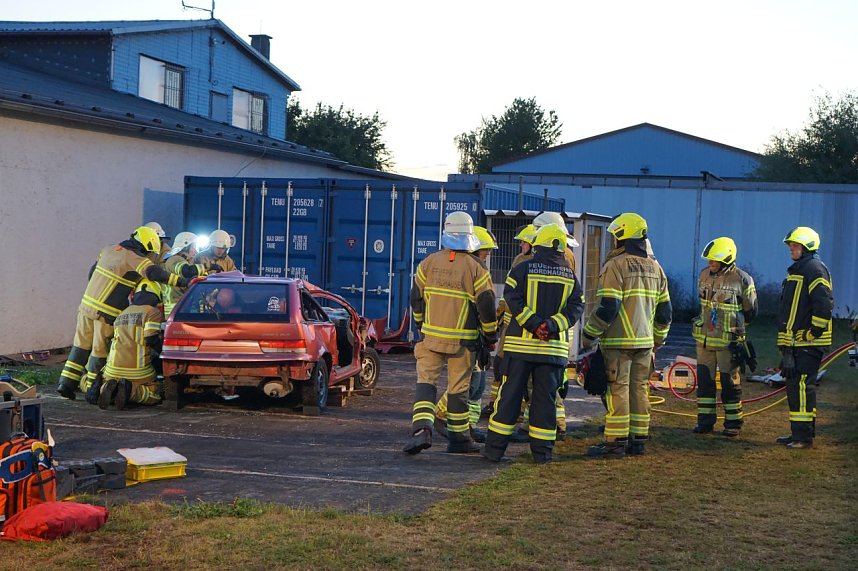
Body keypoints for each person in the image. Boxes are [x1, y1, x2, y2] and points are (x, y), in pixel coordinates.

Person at [482, 224, 585, 464]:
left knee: (509, 398)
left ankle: (494, 451)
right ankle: (542, 454)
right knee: (545, 402)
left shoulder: (521, 269)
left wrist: (534, 324)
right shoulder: (570, 276)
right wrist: (551, 325)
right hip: (552, 350)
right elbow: (576, 307)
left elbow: (511, 298)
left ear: (538, 245)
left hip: (519, 348)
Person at [57, 226, 190, 402]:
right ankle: (92, 389)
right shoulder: (133, 257)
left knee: (80, 345)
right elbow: (154, 273)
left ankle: (66, 383)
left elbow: (92, 272)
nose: (148, 255)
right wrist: (183, 281)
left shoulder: (108, 250)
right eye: (148, 252)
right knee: (99, 350)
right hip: (106, 311)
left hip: (86, 305)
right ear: (144, 246)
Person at [403, 212, 498, 455]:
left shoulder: (428, 262)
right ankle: (459, 440)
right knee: (458, 390)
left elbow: (416, 298)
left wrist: (420, 325)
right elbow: (486, 304)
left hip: (430, 338)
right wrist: (490, 336)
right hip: (462, 341)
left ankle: (421, 430)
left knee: (426, 384)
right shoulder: (476, 268)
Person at [581, 213, 672, 458]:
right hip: (645, 343)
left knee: (618, 391)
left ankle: (615, 443)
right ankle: (638, 441)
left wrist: (589, 334)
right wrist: (658, 340)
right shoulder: (656, 267)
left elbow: (608, 306)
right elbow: (665, 312)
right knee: (639, 390)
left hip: (618, 342)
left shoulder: (616, 265)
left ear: (621, 236)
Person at [434, 226, 498, 443]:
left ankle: (469, 425)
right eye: (485, 250)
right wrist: (490, 333)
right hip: (467, 335)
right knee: (468, 383)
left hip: (475, 335)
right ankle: (442, 414)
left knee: (477, 385)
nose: (487, 254)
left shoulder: (476, 269)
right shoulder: (472, 270)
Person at [691, 237, 758, 437]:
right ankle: (705, 422)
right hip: (704, 340)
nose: (710, 263)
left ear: (726, 259)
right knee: (705, 382)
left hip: (728, 341)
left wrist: (737, 329)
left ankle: (733, 423)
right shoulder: (704, 275)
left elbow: (751, 310)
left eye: (714, 260)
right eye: (709, 259)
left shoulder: (742, 279)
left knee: (729, 383)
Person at [775, 226, 833, 449]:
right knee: (795, 387)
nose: (791, 248)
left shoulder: (814, 269)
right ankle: (798, 434)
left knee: (801, 387)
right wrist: (785, 346)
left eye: (795, 245)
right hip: (797, 341)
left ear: (807, 247)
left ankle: (803, 437)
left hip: (808, 342)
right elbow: (789, 311)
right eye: (790, 245)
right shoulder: (799, 270)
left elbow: (824, 304)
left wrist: (813, 332)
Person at [98, 280, 165, 410]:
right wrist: (163, 352)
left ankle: (106, 388)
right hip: (138, 370)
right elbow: (151, 338)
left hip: (112, 369)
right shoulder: (152, 312)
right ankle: (130, 390)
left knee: (112, 381)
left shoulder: (122, 313)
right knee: (155, 393)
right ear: (156, 297)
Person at [163, 232, 223, 316]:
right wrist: (209, 266)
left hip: (184, 308)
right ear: (186, 247)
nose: (195, 251)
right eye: (193, 247)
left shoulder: (186, 262)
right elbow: (187, 272)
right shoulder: (174, 259)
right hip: (176, 310)